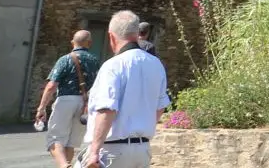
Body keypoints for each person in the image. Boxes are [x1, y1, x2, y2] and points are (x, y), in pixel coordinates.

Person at [82, 10, 170, 168]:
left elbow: (107, 109)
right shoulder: (156, 65)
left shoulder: (113, 65)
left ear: (111, 37)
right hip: (141, 149)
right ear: (137, 34)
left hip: (112, 150)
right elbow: (160, 107)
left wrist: (94, 150)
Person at [36, 30, 101, 168]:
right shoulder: (96, 61)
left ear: (72, 42)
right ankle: (67, 164)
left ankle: (64, 165)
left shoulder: (65, 59)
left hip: (65, 100)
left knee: (55, 138)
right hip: (85, 103)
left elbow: (51, 85)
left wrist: (41, 107)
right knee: (71, 142)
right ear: (89, 43)